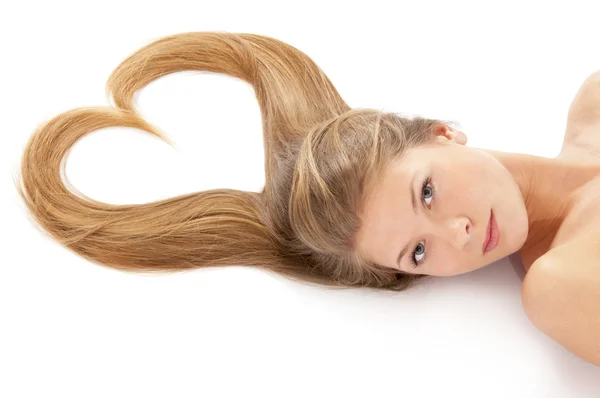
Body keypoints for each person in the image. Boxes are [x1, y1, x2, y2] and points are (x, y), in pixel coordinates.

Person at [15, 32, 600, 366]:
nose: (457, 234)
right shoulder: (560, 287)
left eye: (428, 193)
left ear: (442, 133)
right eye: (417, 253)